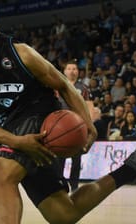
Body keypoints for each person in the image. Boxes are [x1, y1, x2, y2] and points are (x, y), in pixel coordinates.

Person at [0, 2, 136, 223]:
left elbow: (64, 85)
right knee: (63, 214)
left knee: (0, 177)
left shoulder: (21, 54)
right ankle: (134, 168)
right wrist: (17, 141)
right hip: (8, 127)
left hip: (38, 113)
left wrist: (88, 125)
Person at [57, 60, 95, 191]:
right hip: (61, 127)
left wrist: (89, 126)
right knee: (59, 157)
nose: (72, 71)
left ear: (78, 72)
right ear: (64, 71)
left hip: (79, 127)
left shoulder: (83, 88)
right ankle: (60, 184)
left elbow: (90, 108)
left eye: (74, 69)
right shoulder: (58, 86)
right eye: (69, 68)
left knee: (76, 158)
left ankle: (74, 186)